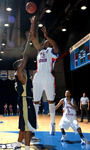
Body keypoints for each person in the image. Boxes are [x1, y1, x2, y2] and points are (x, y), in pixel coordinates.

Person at [30, 16, 59, 135]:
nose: (44, 42)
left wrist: (47, 36)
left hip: (48, 76)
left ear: (49, 43)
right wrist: (32, 24)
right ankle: (34, 124)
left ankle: (52, 123)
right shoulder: (40, 51)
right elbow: (32, 38)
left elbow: (56, 47)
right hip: (38, 77)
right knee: (35, 101)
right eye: (45, 41)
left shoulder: (52, 52)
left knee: (51, 101)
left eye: (46, 41)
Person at [13, 32, 37, 150]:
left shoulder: (21, 74)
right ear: (18, 67)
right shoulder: (19, 73)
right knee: (28, 128)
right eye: (20, 62)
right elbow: (26, 55)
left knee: (23, 126)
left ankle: (18, 145)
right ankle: (26, 148)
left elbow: (25, 57)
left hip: (25, 101)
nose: (21, 62)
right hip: (25, 101)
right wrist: (28, 39)